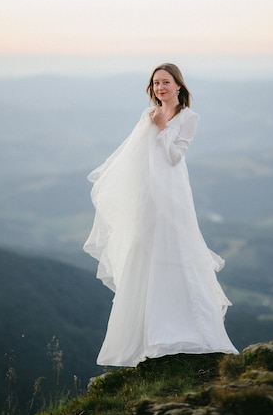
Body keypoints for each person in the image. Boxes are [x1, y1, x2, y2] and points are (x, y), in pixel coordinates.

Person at [83, 63, 238, 366]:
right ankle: (148, 336)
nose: (160, 88)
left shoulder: (189, 118)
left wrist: (162, 128)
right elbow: (134, 156)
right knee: (146, 255)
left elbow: (173, 156)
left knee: (177, 251)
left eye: (166, 82)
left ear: (179, 86)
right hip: (148, 196)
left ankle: (190, 330)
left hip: (173, 195)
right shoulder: (148, 115)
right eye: (155, 83)